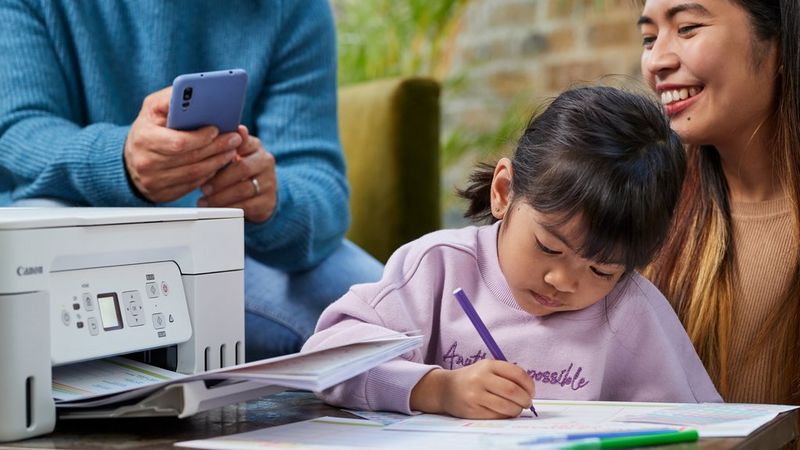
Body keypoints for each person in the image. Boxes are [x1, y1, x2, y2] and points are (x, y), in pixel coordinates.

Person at [302, 86, 722, 419]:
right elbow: (325, 362)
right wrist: (437, 389)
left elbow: (702, 423)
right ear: (504, 192)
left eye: (601, 270)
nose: (564, 281)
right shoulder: (438, 268)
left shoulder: (632, 310)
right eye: (548, 246)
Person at [0, 0, 383, 360]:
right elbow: (17, 132)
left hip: (229, 241)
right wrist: (119, 160)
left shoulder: (291, 8)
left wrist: (270, 199)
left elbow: (322, 190)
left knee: (397, 317)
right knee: (35, 233)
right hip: (75, 221)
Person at [638, 0, 800, 405]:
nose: (657, 60)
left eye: (688, 28)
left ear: (779, 41)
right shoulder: (649, 214)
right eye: (648, 37)